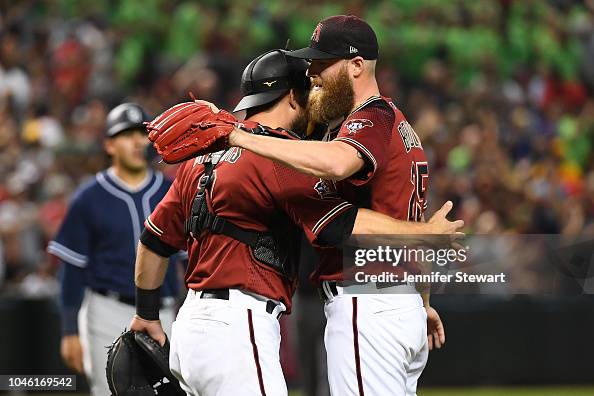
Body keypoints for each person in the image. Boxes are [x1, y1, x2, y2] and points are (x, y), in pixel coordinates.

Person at [128, 49, 462, 396]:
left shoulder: (200, 160)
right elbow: (341, 225)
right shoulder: (279, 156)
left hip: (188, 332)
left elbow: (153, 242)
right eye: (309, 93)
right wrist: (423, 235)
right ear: (292, 97)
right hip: (237, 329)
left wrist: (147, 314)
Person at [208, 15, 442, 396]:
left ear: (356, 65)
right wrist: (423, 302)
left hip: (368, 307)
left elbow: (337, 162)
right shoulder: (396, 124)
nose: (312, 74)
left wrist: (238, 137)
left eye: (321, 63)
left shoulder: (371, 116)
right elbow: (417, 228)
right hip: (399, 304)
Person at [47, 103, 180, 396]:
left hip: (163, 310)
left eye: (142, 133)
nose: (136, 142)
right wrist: (69, 330)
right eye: (126, 134)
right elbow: (72, 269)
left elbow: (184, 264)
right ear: (109, 144)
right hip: (106, 311)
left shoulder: (171, 191)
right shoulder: (88, 197)